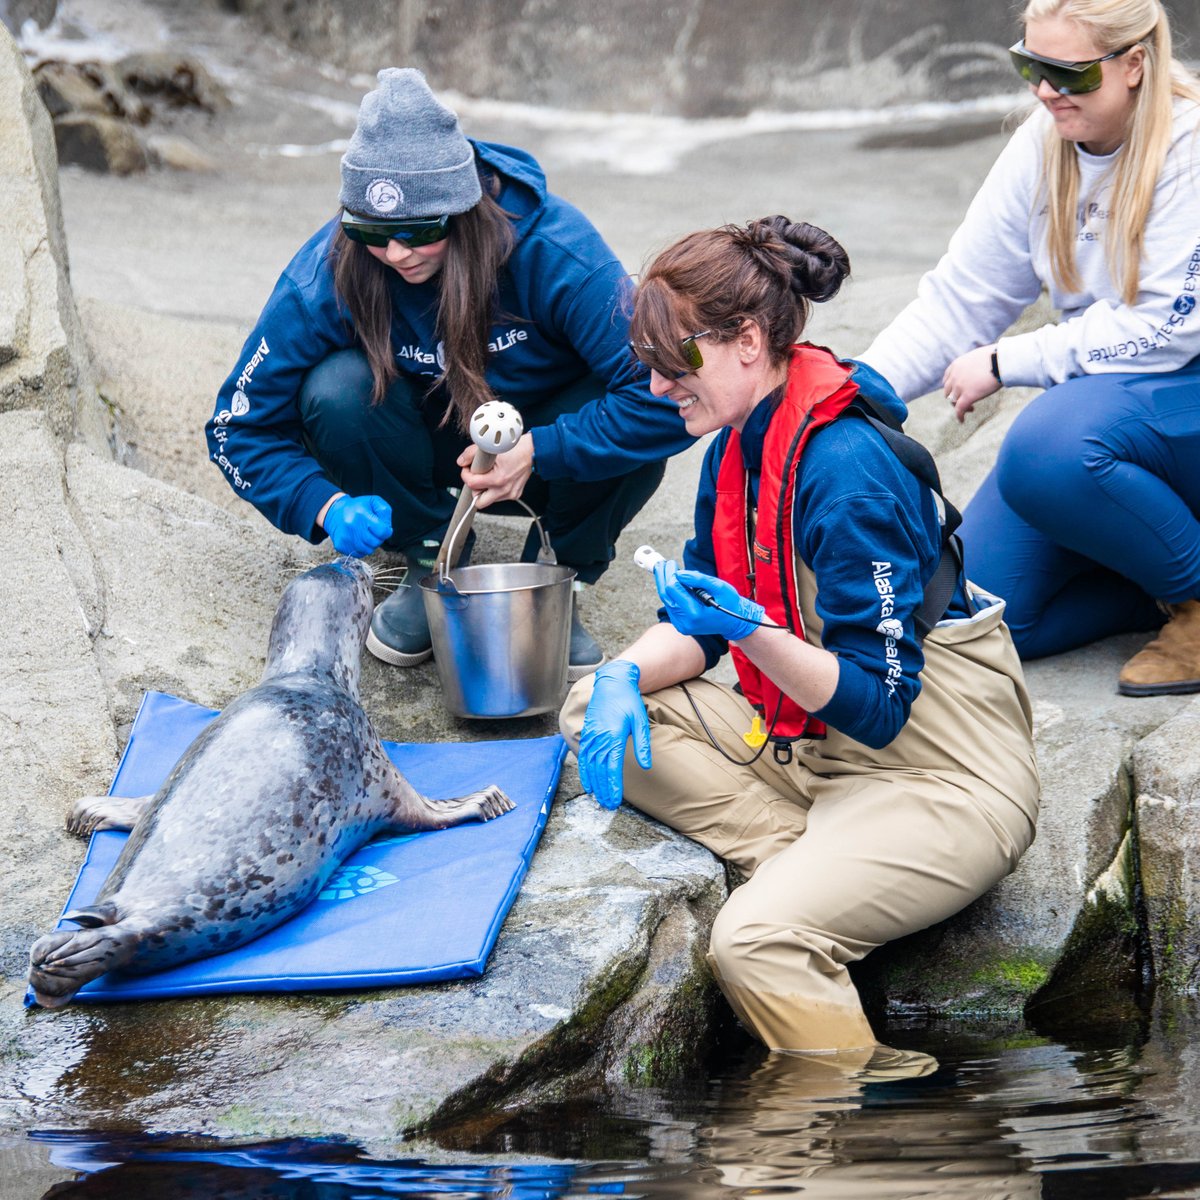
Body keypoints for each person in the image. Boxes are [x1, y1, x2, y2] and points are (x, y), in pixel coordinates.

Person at [559, 216, 1040, 1071]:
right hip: (812, 756)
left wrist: (751, 630)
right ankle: (810, 863)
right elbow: (699, 633)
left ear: (747, 341)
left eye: (675, 362)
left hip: (936, 777)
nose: (659, 385)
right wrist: (626, 671)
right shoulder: (735, 450)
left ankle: (862, 1115)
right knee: (589, 702)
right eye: (648, 364)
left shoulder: (848, 472)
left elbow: (879, 707)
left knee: (755, 943)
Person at [205, 68, 694, 679]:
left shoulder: (556, 250)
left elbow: (673, 397)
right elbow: (235, 427)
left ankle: (556, 572)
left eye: (419, 232)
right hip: (425, 448)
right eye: (371, 233)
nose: (396, 254)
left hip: (543, 457)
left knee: (634, 404)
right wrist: (322, 504)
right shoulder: (328, 271)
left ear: (463, 211)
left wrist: (541, 450)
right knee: (335, 390)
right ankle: (431, 552)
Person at [860, 0, 1200, 696]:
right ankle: (1154, 577)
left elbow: (1169, 327)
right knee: (977, 613)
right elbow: (963, 300)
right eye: (1029, 65)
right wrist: (851, 390)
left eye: (1069, 74)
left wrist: (1005, 360)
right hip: (1127, 408)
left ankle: (1195, 598)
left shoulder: (1188, 147)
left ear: (1135, 64)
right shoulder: (1043, 144)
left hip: (1177, 389)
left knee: (1048, 448)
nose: (1045, 90)